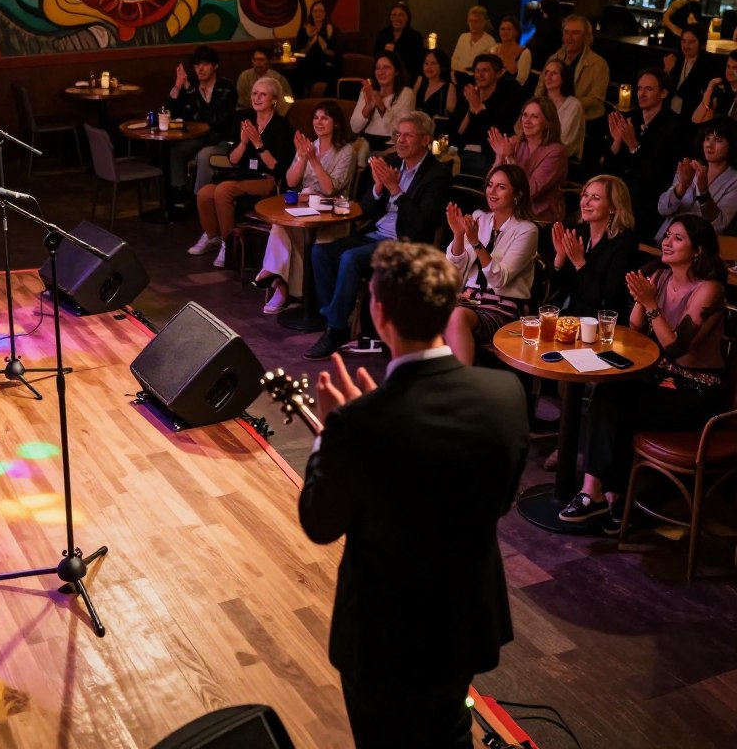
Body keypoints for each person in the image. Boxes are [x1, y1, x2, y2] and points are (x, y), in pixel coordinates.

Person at [299, 240, 528, 749]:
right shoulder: (506, 396)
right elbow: (501, 498)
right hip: (465, 619)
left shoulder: (360, 423)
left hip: (384, 636)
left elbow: (319, 524)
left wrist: (329, 434)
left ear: (378, 314)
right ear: (450, 309)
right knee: (449, 731)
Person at [558, 214, 726, 535]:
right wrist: (641, 299)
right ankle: (607, 495)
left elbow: (677, 348)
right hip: (661, 375)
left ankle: (603, 495)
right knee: (610, 391)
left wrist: (651, 305)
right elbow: (635, 329)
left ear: (699, 250)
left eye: (678, 238)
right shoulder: (661, 277)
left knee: (618, 403)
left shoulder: (709, 290)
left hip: (698, 390)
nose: (667, 241)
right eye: (667, 235)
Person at [305, 112, 453, 361]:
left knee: (351, 258)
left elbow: (421, 224)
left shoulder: (437, 174)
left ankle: (337, 330)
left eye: (408, 135)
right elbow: (366, 209)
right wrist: (377, 187)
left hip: (406, 243)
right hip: (374, 234)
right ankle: (334, 317)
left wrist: (395, 189)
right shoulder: (391, 161)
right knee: (320, 252)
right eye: (398, 135)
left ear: (426, 140)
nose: (401, 141)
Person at [253, 101, 355, 314]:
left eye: (324, 118)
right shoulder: (310, 146)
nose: (319, 122)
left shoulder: (346, 151)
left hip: (331, 215)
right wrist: (301, 157)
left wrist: (314, 161)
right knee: (281, 224)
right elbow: (290, 181)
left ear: (336, 124)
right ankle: (281, 284)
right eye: (316, 117)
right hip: (306, 210)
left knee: (285, 229)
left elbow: (329, 190)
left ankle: (278, 280)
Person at [188, 76, 293, 269]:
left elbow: (276, 167)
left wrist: (258, 144)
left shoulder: (281, 126)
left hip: (267, 179)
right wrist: (244, 142)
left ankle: (229, 246)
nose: (257, 98)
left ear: (274, 99)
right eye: (254, 93)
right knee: (205, 193)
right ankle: (213, 237)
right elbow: (232, 160)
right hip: (243, 176)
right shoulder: (245, 119)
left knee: (223, 190)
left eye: (263, 94)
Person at [444, 164, 539, 366]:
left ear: (518, 194)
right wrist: (459, 235)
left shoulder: (527, 230)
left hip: (501, 306)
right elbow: (454, 272)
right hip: (467, 300)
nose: (492, 191)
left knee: (456, 315)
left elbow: (499, 280)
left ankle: (460, 384)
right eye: (490, 185)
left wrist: (477, 243)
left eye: (501, 187)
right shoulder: (480, 217)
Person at [604, 67, 684, 241]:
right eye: (639, 88)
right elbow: (608, 170)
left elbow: (655, 177)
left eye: (649, 89)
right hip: (622, 199)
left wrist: (633, 145)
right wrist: (617, 142)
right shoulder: (633, 118)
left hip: (649, 209)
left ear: (663, 93)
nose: (641, 94)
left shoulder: (674, 127)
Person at [550, 174, 637, 318]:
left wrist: (580, 263)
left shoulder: (625, 243)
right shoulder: (578, 232)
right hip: (570, 315)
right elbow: (559, 288)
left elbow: (608, 299)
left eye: (596, 198)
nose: (586, 202)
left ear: (612, 208)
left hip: (601, 323)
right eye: (585, 195)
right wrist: (560, 258)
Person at [534, 14, 609, 171]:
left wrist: (565, 104)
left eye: (575, 33)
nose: (569, 37)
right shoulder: (554, 58)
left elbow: (596, 101)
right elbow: (540, 91)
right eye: (566, 32)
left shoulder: (598, 64)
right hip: (552, 118)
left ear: (586, 37)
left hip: (587, 123)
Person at [166, 44, 237, 204]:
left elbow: (214, 121)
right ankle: (179, 193)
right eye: (197, 65)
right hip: (199, 139)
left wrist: (191, 90)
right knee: (177, 150)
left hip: (222, 139)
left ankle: (200, 199)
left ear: (215, 66)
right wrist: (177, 87)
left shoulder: (225, 88)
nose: (200, 69)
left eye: (205, 64)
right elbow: (171, 112)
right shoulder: (191, 86)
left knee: (205, 155)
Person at [656, 116, 737, 240]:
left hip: (698, 248)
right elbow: (663, 209)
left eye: (718, 140)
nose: (709, 144)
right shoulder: (690, 167)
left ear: (731, 145)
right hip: (665, 239)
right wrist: (681, 188)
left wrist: (704, 193)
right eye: (707, 138)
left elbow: (720, 225)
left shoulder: (734, 180)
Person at [488, 97, 568, 222]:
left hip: (537, 217)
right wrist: (499, 156)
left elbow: (529, 191)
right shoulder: (517, 143)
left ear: (547, 122)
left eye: (534, 117)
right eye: (525, 115)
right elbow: (490, 184)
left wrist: (510, 157)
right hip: (509, 210)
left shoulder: (556, 152)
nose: (527, 121)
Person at [450, 53, 521, 176]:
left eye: (485, 71)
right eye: (477, 71)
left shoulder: (507, 99)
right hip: (462, 152)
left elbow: (498, 135)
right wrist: (471, 111)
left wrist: (479, 108)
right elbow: (457, 132)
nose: (480, 75)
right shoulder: (468, 95)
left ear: (498, 74)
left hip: (488, 156)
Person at [349, 52, 415, 153]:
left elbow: (398, 130)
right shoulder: (367, 91)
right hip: (365, 144)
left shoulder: (406, 94)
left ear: (396, 71)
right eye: (377, 68)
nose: (381, 72)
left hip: (391, 147)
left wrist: (381, 106)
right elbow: (355, 127)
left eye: (386, 67)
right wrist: (369, 104)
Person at [662, 25, 721, 122]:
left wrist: (670, 71)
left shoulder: (708, 64)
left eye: (691, 42)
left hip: (692, 117)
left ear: (700, 43)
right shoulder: (676, 59)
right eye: (683, 41)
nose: (686, 46)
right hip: (669, 113)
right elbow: (665, 89)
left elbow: (688, 91)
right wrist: (666, 71)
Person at [294, 0, 342, 97]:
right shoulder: (304, 30)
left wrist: (325, 49)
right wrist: (309, 43)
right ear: (311, 13)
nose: (318, 14)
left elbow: (337, 54)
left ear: (325, 13)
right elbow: (299, 52)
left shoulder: (332, 29)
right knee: (295, 72)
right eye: (315, 11)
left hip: (327, 65)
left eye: (321, 11)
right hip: (308, 65)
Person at [540, 57, 584, 160]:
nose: (548, 77)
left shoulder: (574, 106)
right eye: (546, 73)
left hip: (561, 159)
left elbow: (564, 141)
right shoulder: (539, 101)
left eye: (554, 73)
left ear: (564, 78)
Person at [371, 1, 424, 79]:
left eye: (401, 15)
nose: (397, 18)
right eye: (394, 15)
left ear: (407, 17)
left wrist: (395, 51)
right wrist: (385, 52)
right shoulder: (383, 33)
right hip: (384, 75)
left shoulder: (415, 36)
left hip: (406, 77)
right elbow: (375, 56)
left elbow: (416, 63)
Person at [236, 46, 292, 114]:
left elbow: (288, 98)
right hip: (249, 112)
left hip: (273, 113)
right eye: (255, 60)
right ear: (252, 61)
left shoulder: (277, 78)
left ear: (268, 61)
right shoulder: (244, 77)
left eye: (261, 60)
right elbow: (241, 100)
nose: (258, 63)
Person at [413, 47, 458, 126]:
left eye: (433, 63)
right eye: (426, 63)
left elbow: (449, 115)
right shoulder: (420, 81)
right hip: (416, 127)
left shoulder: (449, 87)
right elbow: (411, 106)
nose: (428, 67)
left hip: (437, 129)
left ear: (442, 67)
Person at [692, 48, 737, 124]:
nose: (729, 71)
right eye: (728, 67)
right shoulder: (721, 90)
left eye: (735, 68)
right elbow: (696, 119)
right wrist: (710, 87)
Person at [525, 0, 563, 78]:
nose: (541, 10)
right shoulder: (559, 24)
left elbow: (530, 7)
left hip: (540, 62)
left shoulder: (543, 23)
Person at [450, 5, 494, 78]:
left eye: (476, 21)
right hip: (459, 77)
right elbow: (454, 60)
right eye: (470, 21)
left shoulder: (490, 41)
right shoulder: (463, 37)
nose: (472, 24)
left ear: (484, 22)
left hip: (478, 79)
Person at [489, 15, 532, 87]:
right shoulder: (493, 50)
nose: (505, 32)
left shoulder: (524, 52)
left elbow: (521, 80)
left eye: (509, 29)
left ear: (517, 32)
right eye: (502, 29)